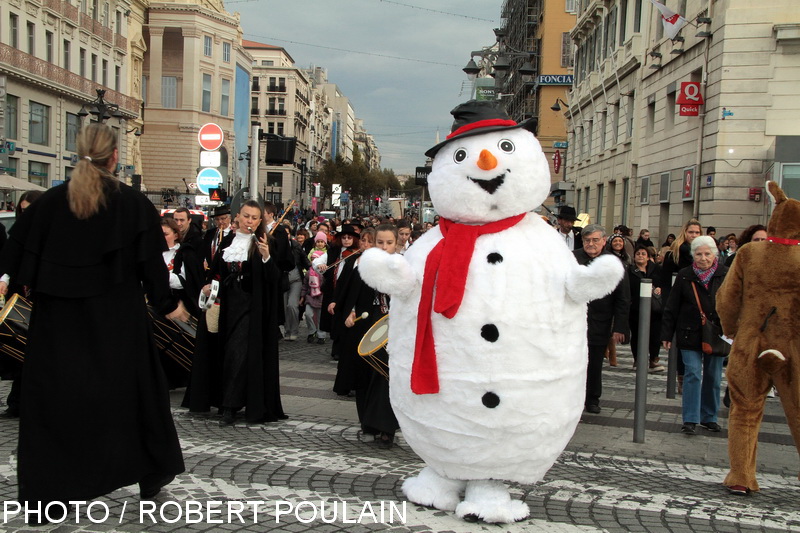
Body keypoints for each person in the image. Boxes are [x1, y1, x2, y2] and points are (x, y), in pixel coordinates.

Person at [0, 123, 188, 518]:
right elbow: (153, 271)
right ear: (115, 157)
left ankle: (47, 489)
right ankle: (150, 475)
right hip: (117, 323)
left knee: (55, 402)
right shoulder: (133, 204)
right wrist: (170, 305)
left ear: (78, 153)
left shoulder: (49, 204)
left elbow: (17, 270)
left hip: (57, 326)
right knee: (136, 396)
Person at [187, 200, 286, 426]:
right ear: (238, 217)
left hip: (252, 307)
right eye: (246, 216)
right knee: (226, 352)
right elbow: (217, 272)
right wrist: (209, 284)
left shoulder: (265, 242)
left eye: (254, 217)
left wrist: (266, 256)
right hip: (227, 306)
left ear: (260, 221)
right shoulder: (228, 242)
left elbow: (275, 279)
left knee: (237, 353)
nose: (249, 220)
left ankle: (231, 406)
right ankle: (227, 401)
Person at [661, 236, 728, 435]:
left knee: (713, 376)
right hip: (689, 332)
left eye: (707, 254)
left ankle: (709, 417)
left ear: (714, 254)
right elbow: (672, 306)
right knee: (691, 373)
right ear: (693, 255)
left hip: (717, 333)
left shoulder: (725, 274)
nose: (703, 258)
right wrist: (666, 333)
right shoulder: (685, 275)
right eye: (699, 254)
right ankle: (690, 418)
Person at [574, 224, 630, 413]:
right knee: (573, 363)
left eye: (595, 240)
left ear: (604, 241)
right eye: (587, 240)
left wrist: (620, 327)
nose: (591, 244)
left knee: (595, 362)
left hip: (600, 321)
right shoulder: (572, 258)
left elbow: (623, 298)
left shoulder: (613, 263)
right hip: (573, 322)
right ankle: (573, 400)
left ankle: (592, 399)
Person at [659, 220, 702, 393]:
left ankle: (691, 377)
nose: (693, 235)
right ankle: (681, 378)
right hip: (680, 303)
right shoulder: (674, 254)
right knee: (680, 343)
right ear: (684, 232)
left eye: (697, 232)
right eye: (691, 232)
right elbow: (665, 281)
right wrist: (668, 306)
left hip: (699, 305)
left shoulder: (703, 252)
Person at [628, 245, 665, 372]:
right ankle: (638, 359)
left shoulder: (657, 269)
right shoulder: (630, 270)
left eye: (643, 254)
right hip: (636, 309)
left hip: (654, 308)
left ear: (648, 257)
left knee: (654, 335)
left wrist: (660, 288)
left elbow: (663, 283)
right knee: (637, 334)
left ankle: (653, 359)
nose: (640, 256)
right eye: (638, 254)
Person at [300, 231, 328, 344]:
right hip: (310, 295)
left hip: (321, 296)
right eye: (318, 241)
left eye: (322, 241)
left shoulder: (324, 269)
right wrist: (302, 296)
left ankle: (321, 334)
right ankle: (312, 331)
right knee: (308, 314)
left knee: (321, 316)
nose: (320, 244)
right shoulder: (309, 273)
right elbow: (305, 285)